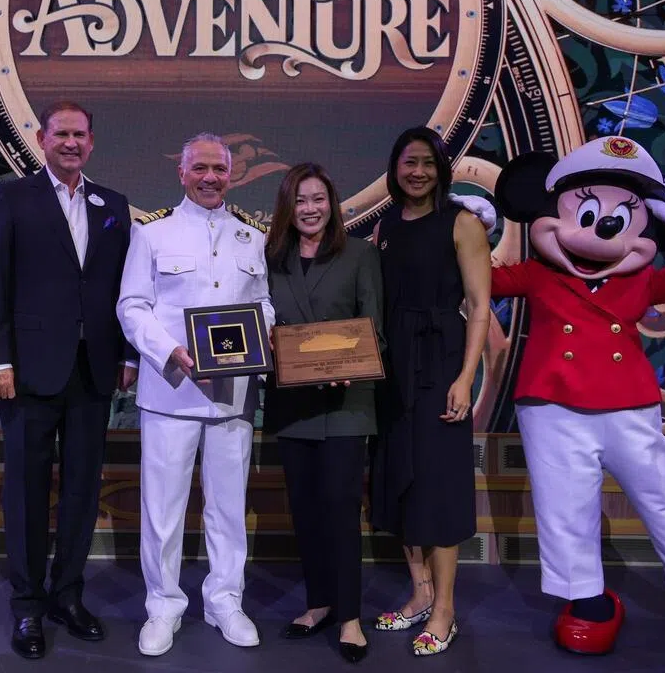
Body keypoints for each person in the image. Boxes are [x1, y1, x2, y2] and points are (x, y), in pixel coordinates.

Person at [489, 137, 665, 654]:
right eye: (583, 212)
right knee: (564, 506)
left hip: (627, 404)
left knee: (664, 500)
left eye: (620, 220)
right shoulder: (538, 274)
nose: (598, 233)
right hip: (552, 404)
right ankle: (586, 598)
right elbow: (479, 282)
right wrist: (472, 232)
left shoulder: (642, 281)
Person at [0, 101, 137, 660]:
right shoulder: (12, 197)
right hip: (27, 371)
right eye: (60, 133)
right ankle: (28, 608)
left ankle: (69, 595)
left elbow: (125, 290)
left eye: (80, 135)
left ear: (92, 143)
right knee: (26, 491)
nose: (70, 143)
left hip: (93, 370)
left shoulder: (113, 205)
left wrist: (128, 354)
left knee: (81, 492)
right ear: (42, 139)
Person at [117, 133, 274, 657]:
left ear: (233, 175)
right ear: (182, 173)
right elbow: (132, 307)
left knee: (228, 506)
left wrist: (256, 337)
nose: (210, 178)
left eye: (220, 169)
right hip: (171, 391)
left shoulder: (251, 239)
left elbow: (265, 305)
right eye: (200, 168)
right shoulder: (153, 234)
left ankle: (225, 600)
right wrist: (171, 352)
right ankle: (163, 605)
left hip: (232, 393)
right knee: (163, 509)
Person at [367, 126, 492, 656]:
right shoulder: (388, 223)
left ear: (442, 168)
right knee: (400, 479)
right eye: (407, 163)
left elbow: (480, 306)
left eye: (427, 163)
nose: (417, 172)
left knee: (438, 487)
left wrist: (465, 378)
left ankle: (445, 610)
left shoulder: (461, 223)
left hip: (440, 363)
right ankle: (419, 593)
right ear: (394, 170)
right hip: (392, 364)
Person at [262, 163, 383, 663]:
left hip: (346, 405)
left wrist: (354, 365)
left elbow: (377, 328)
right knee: (306, 510)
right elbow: (261, 325)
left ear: (331, 204)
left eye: (319, 199)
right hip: (293, 403)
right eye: (301, 200)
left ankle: (350, 616)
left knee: (340, 509)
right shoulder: (270, 259)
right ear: (287, 208)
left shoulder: (360, 255)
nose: (310, 209)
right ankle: (319, 604)